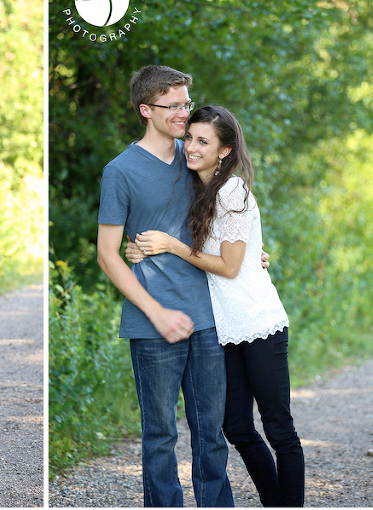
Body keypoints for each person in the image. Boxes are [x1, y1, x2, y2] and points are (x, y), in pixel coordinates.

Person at [128, 106, 305, 506]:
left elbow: (228, 266)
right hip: (224, 328)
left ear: (224, 150)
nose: (190, 146)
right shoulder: (198, 190)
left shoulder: (232, 190)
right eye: (189, 137)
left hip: (259, 322)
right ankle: (275, 501)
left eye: (202, 141)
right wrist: (136, 247)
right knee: (237, 426)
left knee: (279, 428)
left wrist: (175, 246)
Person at [97, 65, 234, 507]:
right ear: (145, 109)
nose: (183, 114)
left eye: (186, 104)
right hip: (152, 322)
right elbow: (107, 254)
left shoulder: (197, 155)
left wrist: (250, 259)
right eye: (172, 106)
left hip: (209, 314)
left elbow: (232, 215)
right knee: (159, 436)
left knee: (211, 433)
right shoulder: (120, 171)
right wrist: (156, 313)